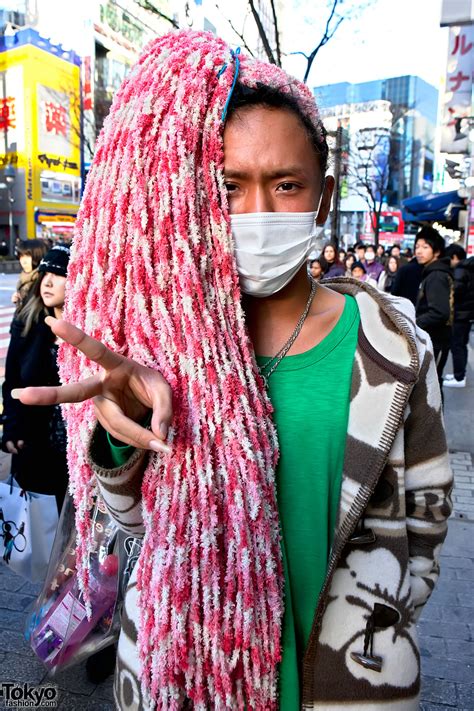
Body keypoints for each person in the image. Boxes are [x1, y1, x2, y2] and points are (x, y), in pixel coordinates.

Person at [14, 32, 452, 711]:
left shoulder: (391, 347)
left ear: (325, 197)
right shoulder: (166, 346)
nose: (257, 213)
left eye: (285, 184)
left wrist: (376, 623)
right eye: (230, 186)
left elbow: (425, 511)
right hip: (189, 679)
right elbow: (129, 528)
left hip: (346, 683)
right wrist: (120, 433)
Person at [2, 245, 70, 512]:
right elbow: (13, 383)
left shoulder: (92, 333)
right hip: (35, 445)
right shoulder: (27, 325)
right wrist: (12, 428)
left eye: (58, 274)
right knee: (36, 530)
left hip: (76, 453)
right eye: (45, 274)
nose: (48, 282)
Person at [415, 226, 454, 389]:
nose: (419, 251)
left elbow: (440, 312)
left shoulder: (436, 275)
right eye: (417, 246)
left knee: (432, 389)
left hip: (436, 340)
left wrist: (414, 323)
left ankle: (436, 416)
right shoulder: (433, 272)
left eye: (425, 247)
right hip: (434, 339)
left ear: (436, 251)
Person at [443, 244, 474, 388]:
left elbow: (456, 292)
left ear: (455, 257)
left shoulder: (460, 270)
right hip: (467, 314)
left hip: (460, 314)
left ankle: (459, 377)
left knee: (457, 345)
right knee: (462, 345)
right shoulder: (469, 268)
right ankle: (460, 373)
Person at [12, 239, 50, 311]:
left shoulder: (43, 282)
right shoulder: (23, 279)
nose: (23, 261)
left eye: (28, 256)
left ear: (38, 256)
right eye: (21, 256)